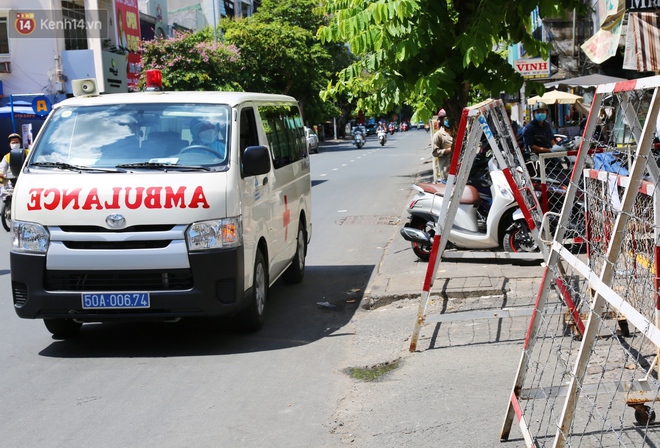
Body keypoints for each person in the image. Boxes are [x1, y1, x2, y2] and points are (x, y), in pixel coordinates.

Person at [431, 109, 453, 182]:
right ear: (442, 120)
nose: (449, 120)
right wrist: (448, 150)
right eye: (446, 118)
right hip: (446, 172)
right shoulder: (438, 135)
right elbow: (435, 152)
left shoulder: (456, 132)